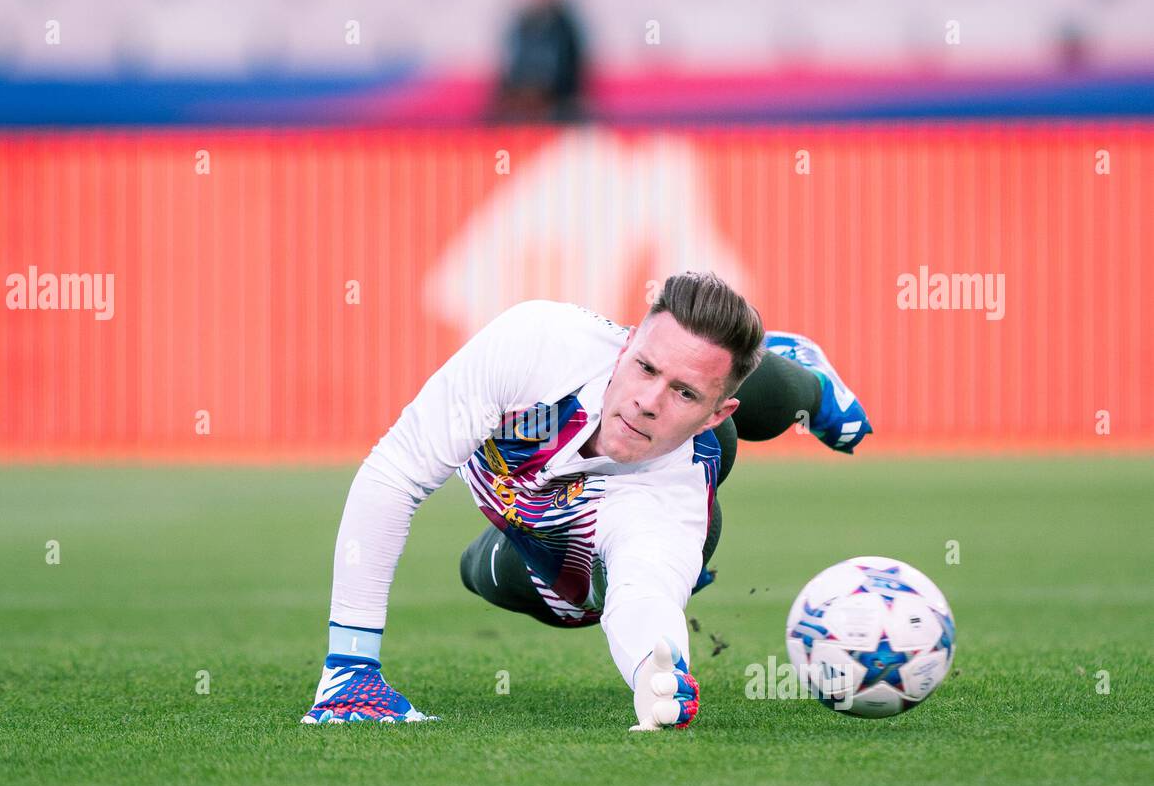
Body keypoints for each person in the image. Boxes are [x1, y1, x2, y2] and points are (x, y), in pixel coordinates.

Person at [301, 271, 871, 730]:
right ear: (625, 346)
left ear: (709, 408)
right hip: (530, 504)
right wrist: (351, 669)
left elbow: (644, 591)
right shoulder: (535, 345)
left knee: (746, 413)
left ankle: (805, 382)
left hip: (644, 490)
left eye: (684, 393)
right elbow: (394, 474)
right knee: (480, 574)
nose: (648, 400)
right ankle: (748, 366)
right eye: (645, 367)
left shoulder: (669, 493)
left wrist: (657, 672)